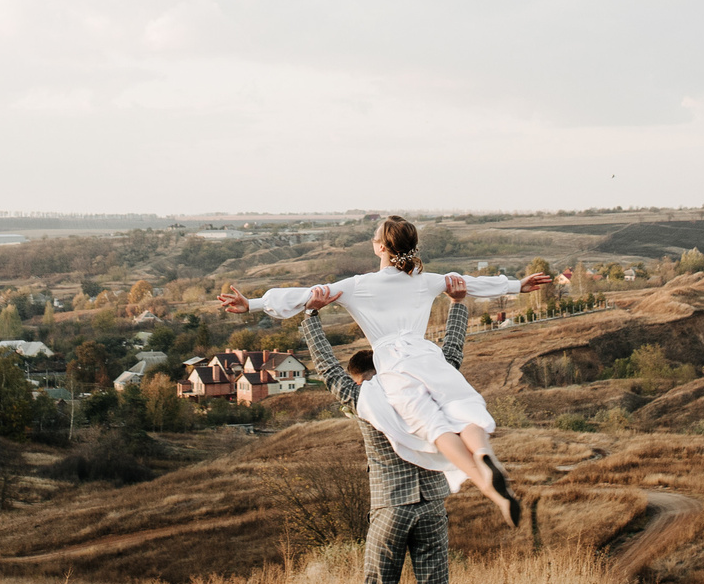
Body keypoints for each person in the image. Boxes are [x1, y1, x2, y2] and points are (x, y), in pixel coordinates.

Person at [219, 214, 554, 527]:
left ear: (381, 247)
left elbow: (303, 296)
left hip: (393, 365)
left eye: (374, 237)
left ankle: (486, 485)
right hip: (426, 355)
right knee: (462, 409)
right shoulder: (427, 282)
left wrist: (254, 304)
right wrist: (516, 285)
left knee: (433, 426)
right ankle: (484, 454)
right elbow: (470, 283)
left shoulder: (358, 285)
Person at [291, 274, 473, 584]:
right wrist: (459, 304)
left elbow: (326, 368)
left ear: (362, 376)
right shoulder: (424, 391)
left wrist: (310, 315)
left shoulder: (362, 400)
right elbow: (451, 355)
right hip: (432, 503)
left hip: (389, 507)